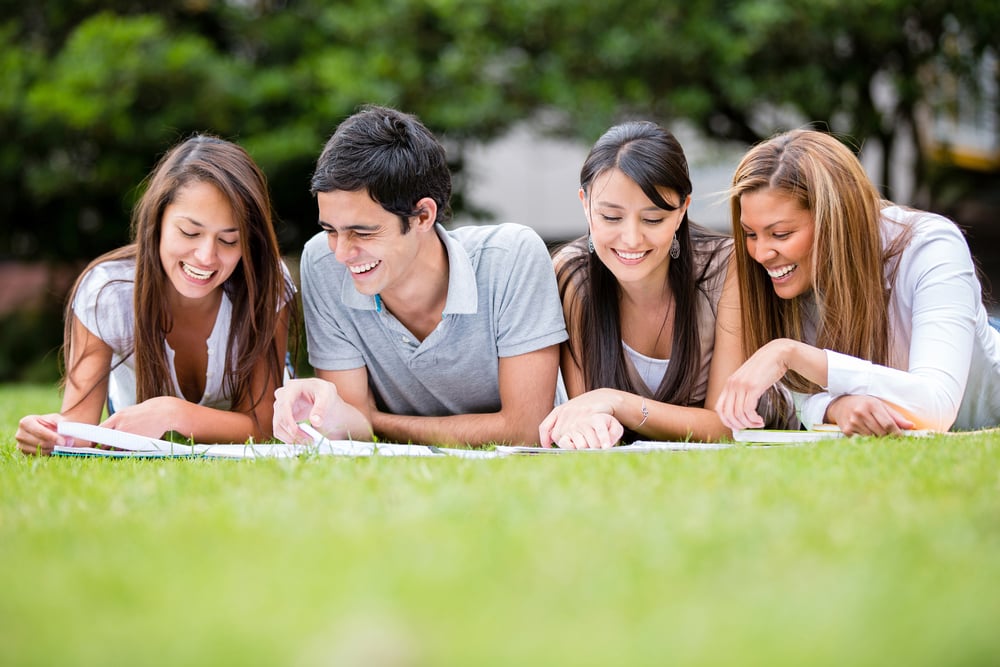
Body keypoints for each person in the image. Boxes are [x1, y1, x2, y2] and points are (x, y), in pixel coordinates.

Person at [272, 105, 567, 447]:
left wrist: (376, 421)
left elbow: (525, 430)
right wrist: (335, 415)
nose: (341, 253)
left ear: (423, 216)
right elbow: (350, 422)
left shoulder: (510, 257)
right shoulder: (322, 261)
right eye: (331, 230)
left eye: (363, 233)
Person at [16, 135, 295, 455]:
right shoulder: (107, 293)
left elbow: (261, 426)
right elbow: (80, 432)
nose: (206, 256)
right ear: (157, 222)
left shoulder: (265, 282)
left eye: (229, 241)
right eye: (190, 232)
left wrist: (172, 414)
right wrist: (50, 434)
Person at [715, 128, 1000, 435]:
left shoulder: (930, 246)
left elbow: (936, 409)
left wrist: (790, 354)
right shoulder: (791, 280)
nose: (760, 253)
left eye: (781, 234)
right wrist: (835, 407)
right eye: (750, 234)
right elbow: (798, 396)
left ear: (833, 219)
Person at [538, 121, 743, 449]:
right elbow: (585, 414)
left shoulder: (725, 268)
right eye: (611, 217)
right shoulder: (572, 275)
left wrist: (617, 402)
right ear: (585, 205)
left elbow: (727, 426)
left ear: (681, 211)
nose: (631, 239)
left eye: (652, 219)